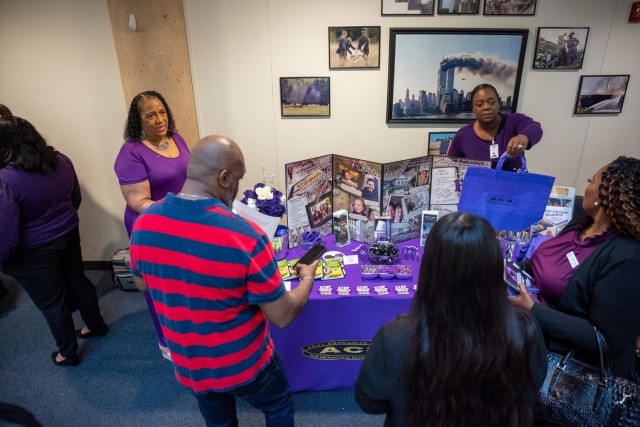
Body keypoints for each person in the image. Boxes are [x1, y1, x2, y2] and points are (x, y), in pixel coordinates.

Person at [129, 135, 319, 426]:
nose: (238, 187)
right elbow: (282, 315)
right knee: (278, 404)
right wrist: (307, 278)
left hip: (190, 362)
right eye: (238, 179)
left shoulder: (144, 223)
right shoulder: (245, 236)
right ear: (224, 177)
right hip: (245, 363)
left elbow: (143, 284)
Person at [355, 212, 547, 426]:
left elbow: (369, 402)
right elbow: (532, 388)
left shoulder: (394, 338)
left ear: (430, 269)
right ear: (494, 268)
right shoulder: (525, 328)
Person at [510, 156, 640, 381]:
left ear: (604, 194)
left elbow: (607, 341)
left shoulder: (625, 256)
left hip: (570, 369)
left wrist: (534, 310)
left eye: (591, 181)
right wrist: (508, 269)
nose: (586, 187)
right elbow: (542, 264)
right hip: (534, 333)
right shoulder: (580, 225)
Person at [0, 116, 107, 367]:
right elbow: (75, 198)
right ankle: (96, 325)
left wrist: (4, 258)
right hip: (69, 233)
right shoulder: (60, 160)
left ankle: (68, 354)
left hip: (35, 251)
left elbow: (7, 232)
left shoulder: (6, 178)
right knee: (78, 280)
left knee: (53, 302)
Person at [114, 90, 190, 361]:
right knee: (158, 284)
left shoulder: (176, 138)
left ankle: (186, 331)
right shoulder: (131, 152)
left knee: (181, 282)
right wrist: (177, 210)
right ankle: (167, 342)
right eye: (150, 115)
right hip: (151, 227)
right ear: (138, 120)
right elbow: (138, 200)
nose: (159, 119)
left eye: (162, 112)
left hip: (180, 222)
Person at [447, 83, 543, 171]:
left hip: (513, 187)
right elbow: (449, 165)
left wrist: (523, 137)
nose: (486, 107)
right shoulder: (463, 135)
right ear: (473, 109)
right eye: (479, 104)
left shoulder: (512, 121)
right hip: (478, 188)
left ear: (498, 104)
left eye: (492, 102)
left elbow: (535, 128)